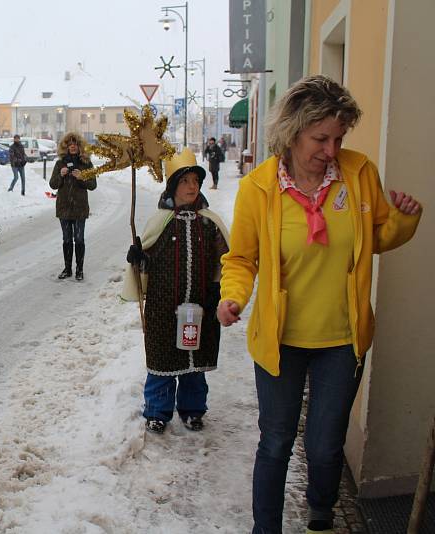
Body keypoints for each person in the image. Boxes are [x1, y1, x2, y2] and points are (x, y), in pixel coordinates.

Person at [216, 75, 422, 534]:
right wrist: (233, 297)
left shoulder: (360, 172)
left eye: (339, 138)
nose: (332, 150)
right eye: (321, 138)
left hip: (342, 337)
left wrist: (406, 220)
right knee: (275, 442)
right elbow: (242, 258)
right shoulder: (259, 188)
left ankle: (321, 517)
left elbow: (378, 238)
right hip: (280, 338)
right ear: (292, 132)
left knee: (327, 445)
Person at [123, 148, 229, 434]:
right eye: (185, 181)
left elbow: (227, 260)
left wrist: (221, 289)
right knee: (162, 361)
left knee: (194, 363)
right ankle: (157, 410)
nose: (192, 187)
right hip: (163, 305)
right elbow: (147, 261)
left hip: (201, 305)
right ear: (173, 186)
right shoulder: (161, 221)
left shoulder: (210, 223)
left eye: (195, 181)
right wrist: (139, 258)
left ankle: (193, 409)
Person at [49, 132, 96, 281]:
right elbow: (53, 184)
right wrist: (60, 176)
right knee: (67, 239)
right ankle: (67, 268)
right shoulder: (60, 164)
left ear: (80, 146)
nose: (73, 147)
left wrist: (82, 178)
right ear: (66, 147)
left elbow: (93, 185)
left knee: (79, 239)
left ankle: (79, 270)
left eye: (75, 144)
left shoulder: (86, 164)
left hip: (80, 208)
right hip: (64, 207)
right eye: (70, 144)